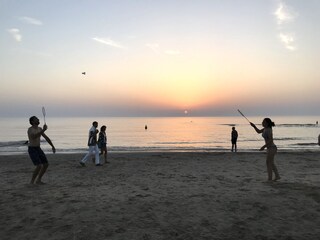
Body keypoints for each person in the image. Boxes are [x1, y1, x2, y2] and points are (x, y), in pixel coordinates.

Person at [27, 116, 56, 184]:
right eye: (36, 119)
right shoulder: (30, 129)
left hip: (38, 148)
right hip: (32, 149)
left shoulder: (39, 129)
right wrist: (43, 130)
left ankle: (38, 180)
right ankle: (32, 182)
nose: (38, 119)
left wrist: (52, 146)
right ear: (32, 122)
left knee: (46, 164)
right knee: (39, 165)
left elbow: (46, 138)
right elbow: (34, 137)